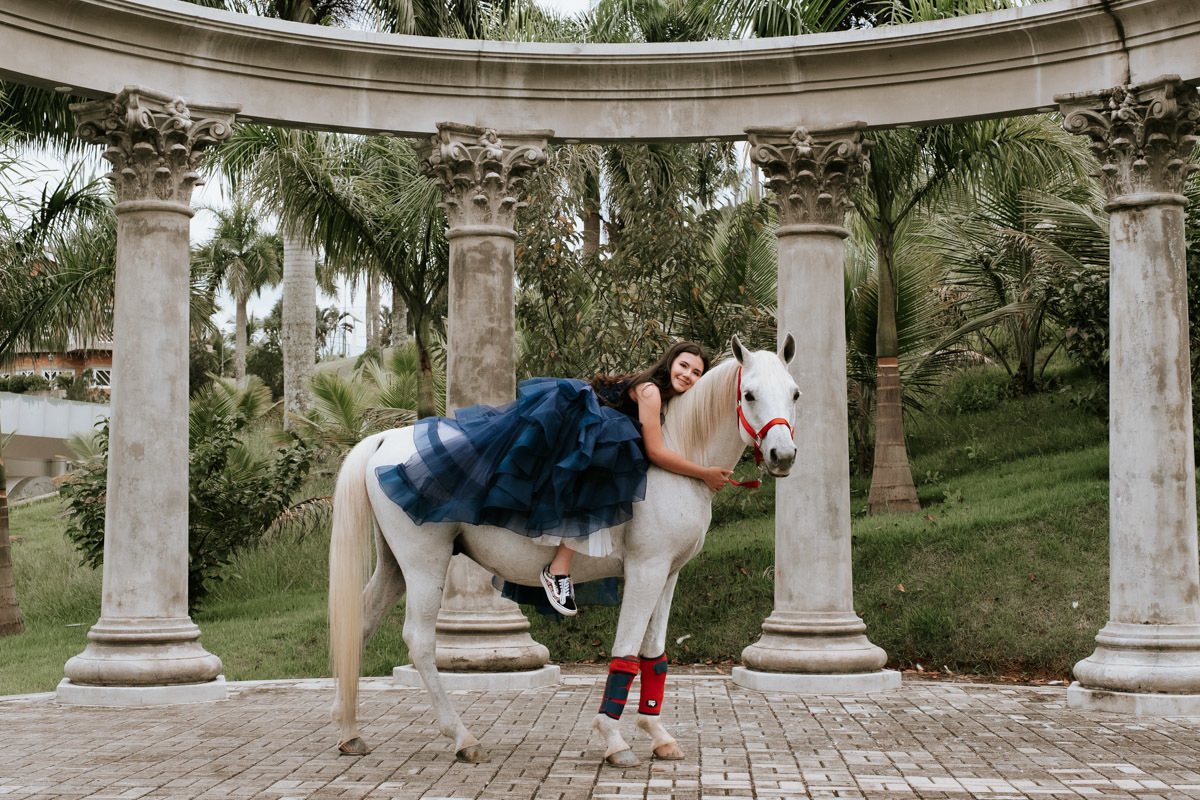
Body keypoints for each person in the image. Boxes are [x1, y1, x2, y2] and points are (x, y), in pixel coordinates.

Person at [373, 341, 732, 618]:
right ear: (670, 362)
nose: (687, 374)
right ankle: (557, 568)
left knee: (611, 459)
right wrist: (704, 473)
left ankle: (557, 564)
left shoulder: (666, 396)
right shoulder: (652, 391)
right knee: (604, 467)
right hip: (583, 417)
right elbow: (654, 450)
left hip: (593, 420)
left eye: (696, 372)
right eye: (684, 365)